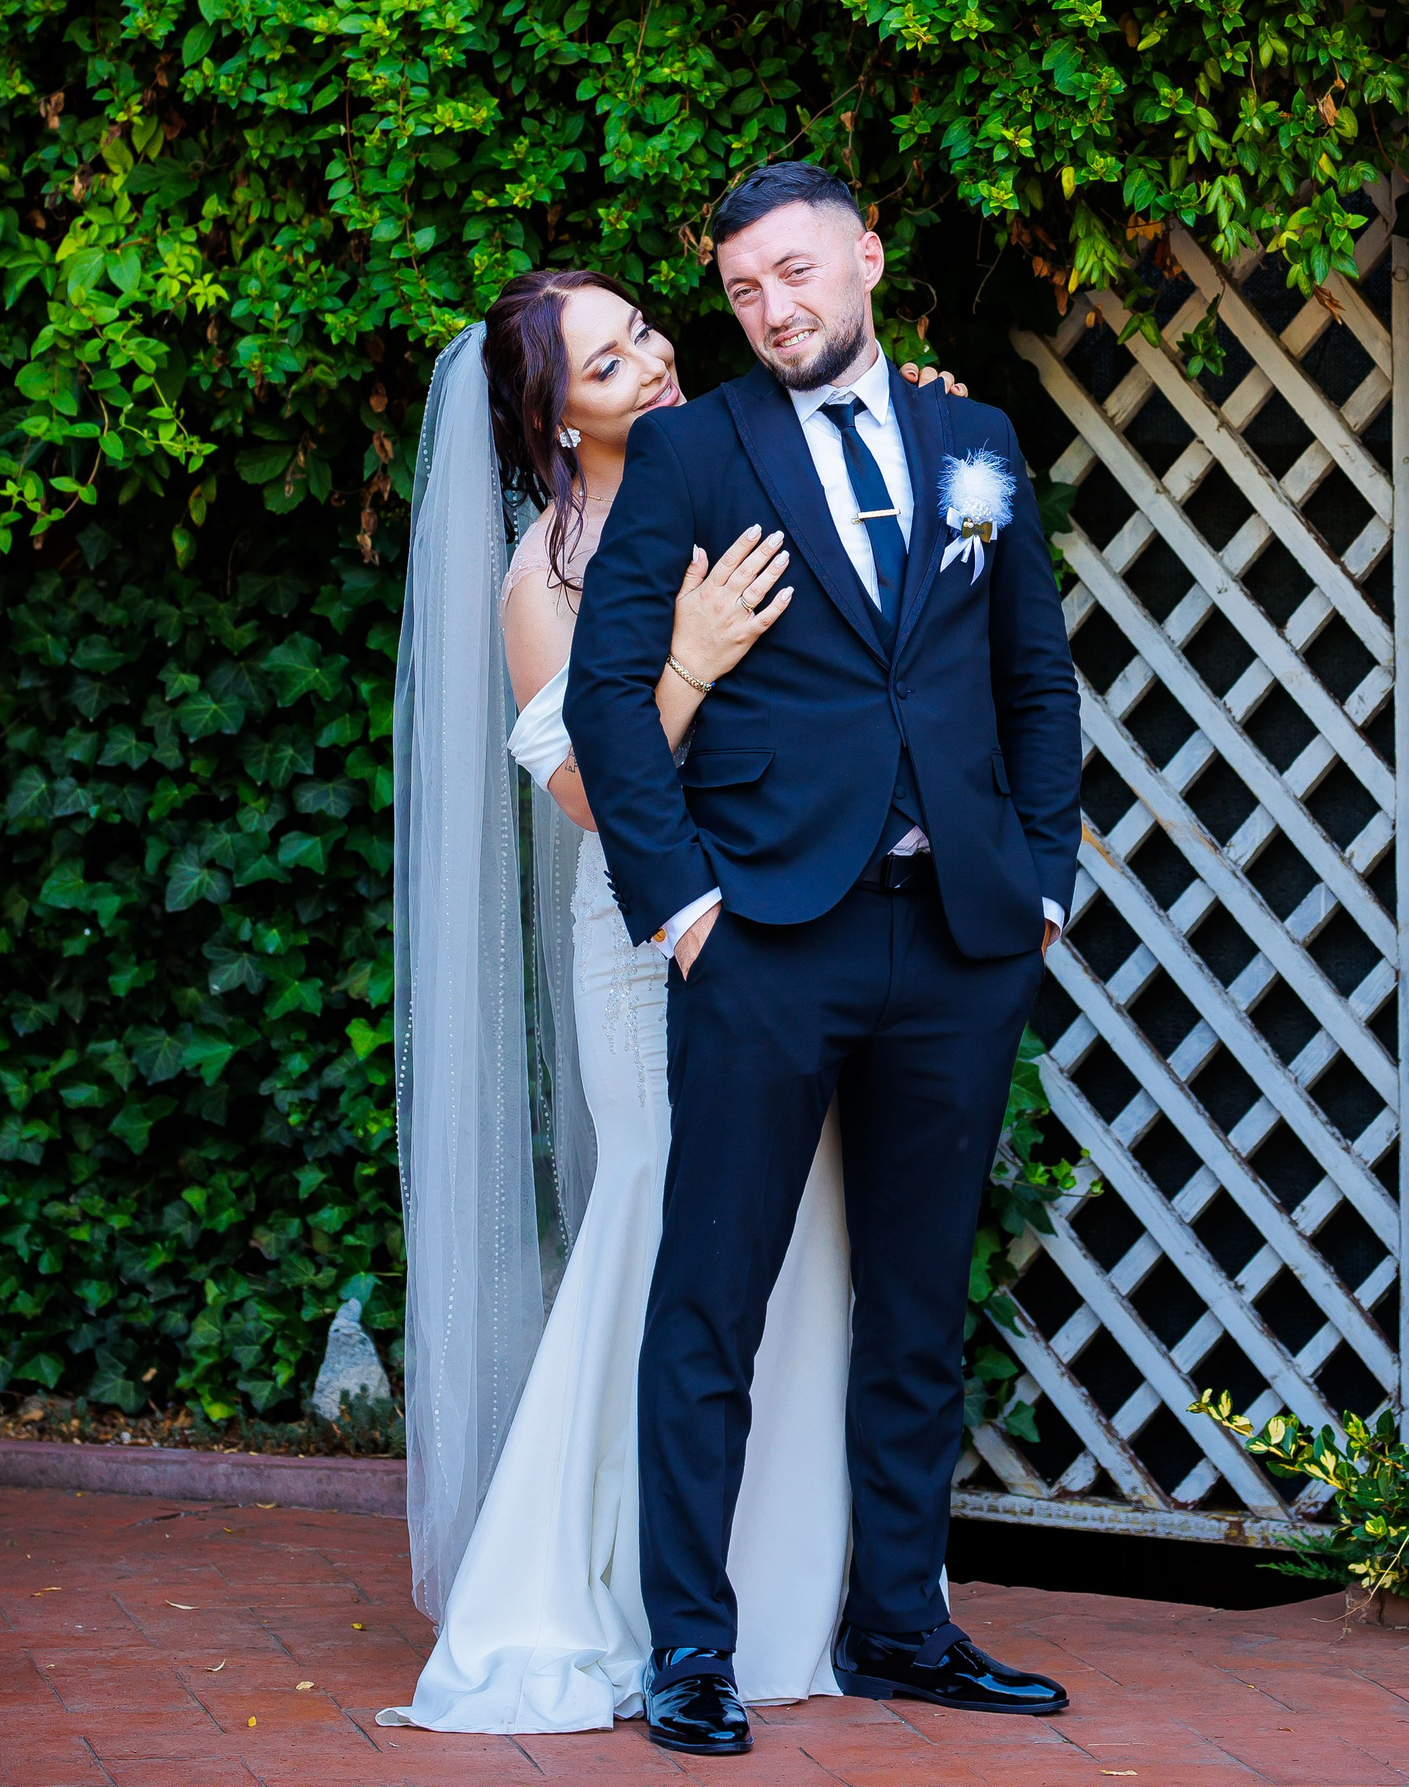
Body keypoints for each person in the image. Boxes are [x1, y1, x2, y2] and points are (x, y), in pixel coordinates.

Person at [381, 266, 969, 1733]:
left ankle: (781, 1608)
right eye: (603, 364)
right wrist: (689, 661)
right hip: (654, 941)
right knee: (668, 1237)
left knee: (813, 1246)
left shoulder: (743, 461)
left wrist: (920, 416)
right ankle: (613, 1597)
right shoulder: (542, 581)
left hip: (809, 922)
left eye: (642, 331)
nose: (648, 364)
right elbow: (591, 794)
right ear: (551, 421)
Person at [568, 161, 1084, 1759]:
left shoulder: (975, 442)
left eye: (795, 272)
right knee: (710, 1303)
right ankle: (692, 1649)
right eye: (742, 290)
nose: (772, 308)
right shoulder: (690, 452)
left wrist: (1044, 884)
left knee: (918, 1304)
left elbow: (1032, 675)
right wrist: (683, 909)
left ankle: (903, 1627)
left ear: (865, 257)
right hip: (768, 941)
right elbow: (606, 699)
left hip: (962, 938)